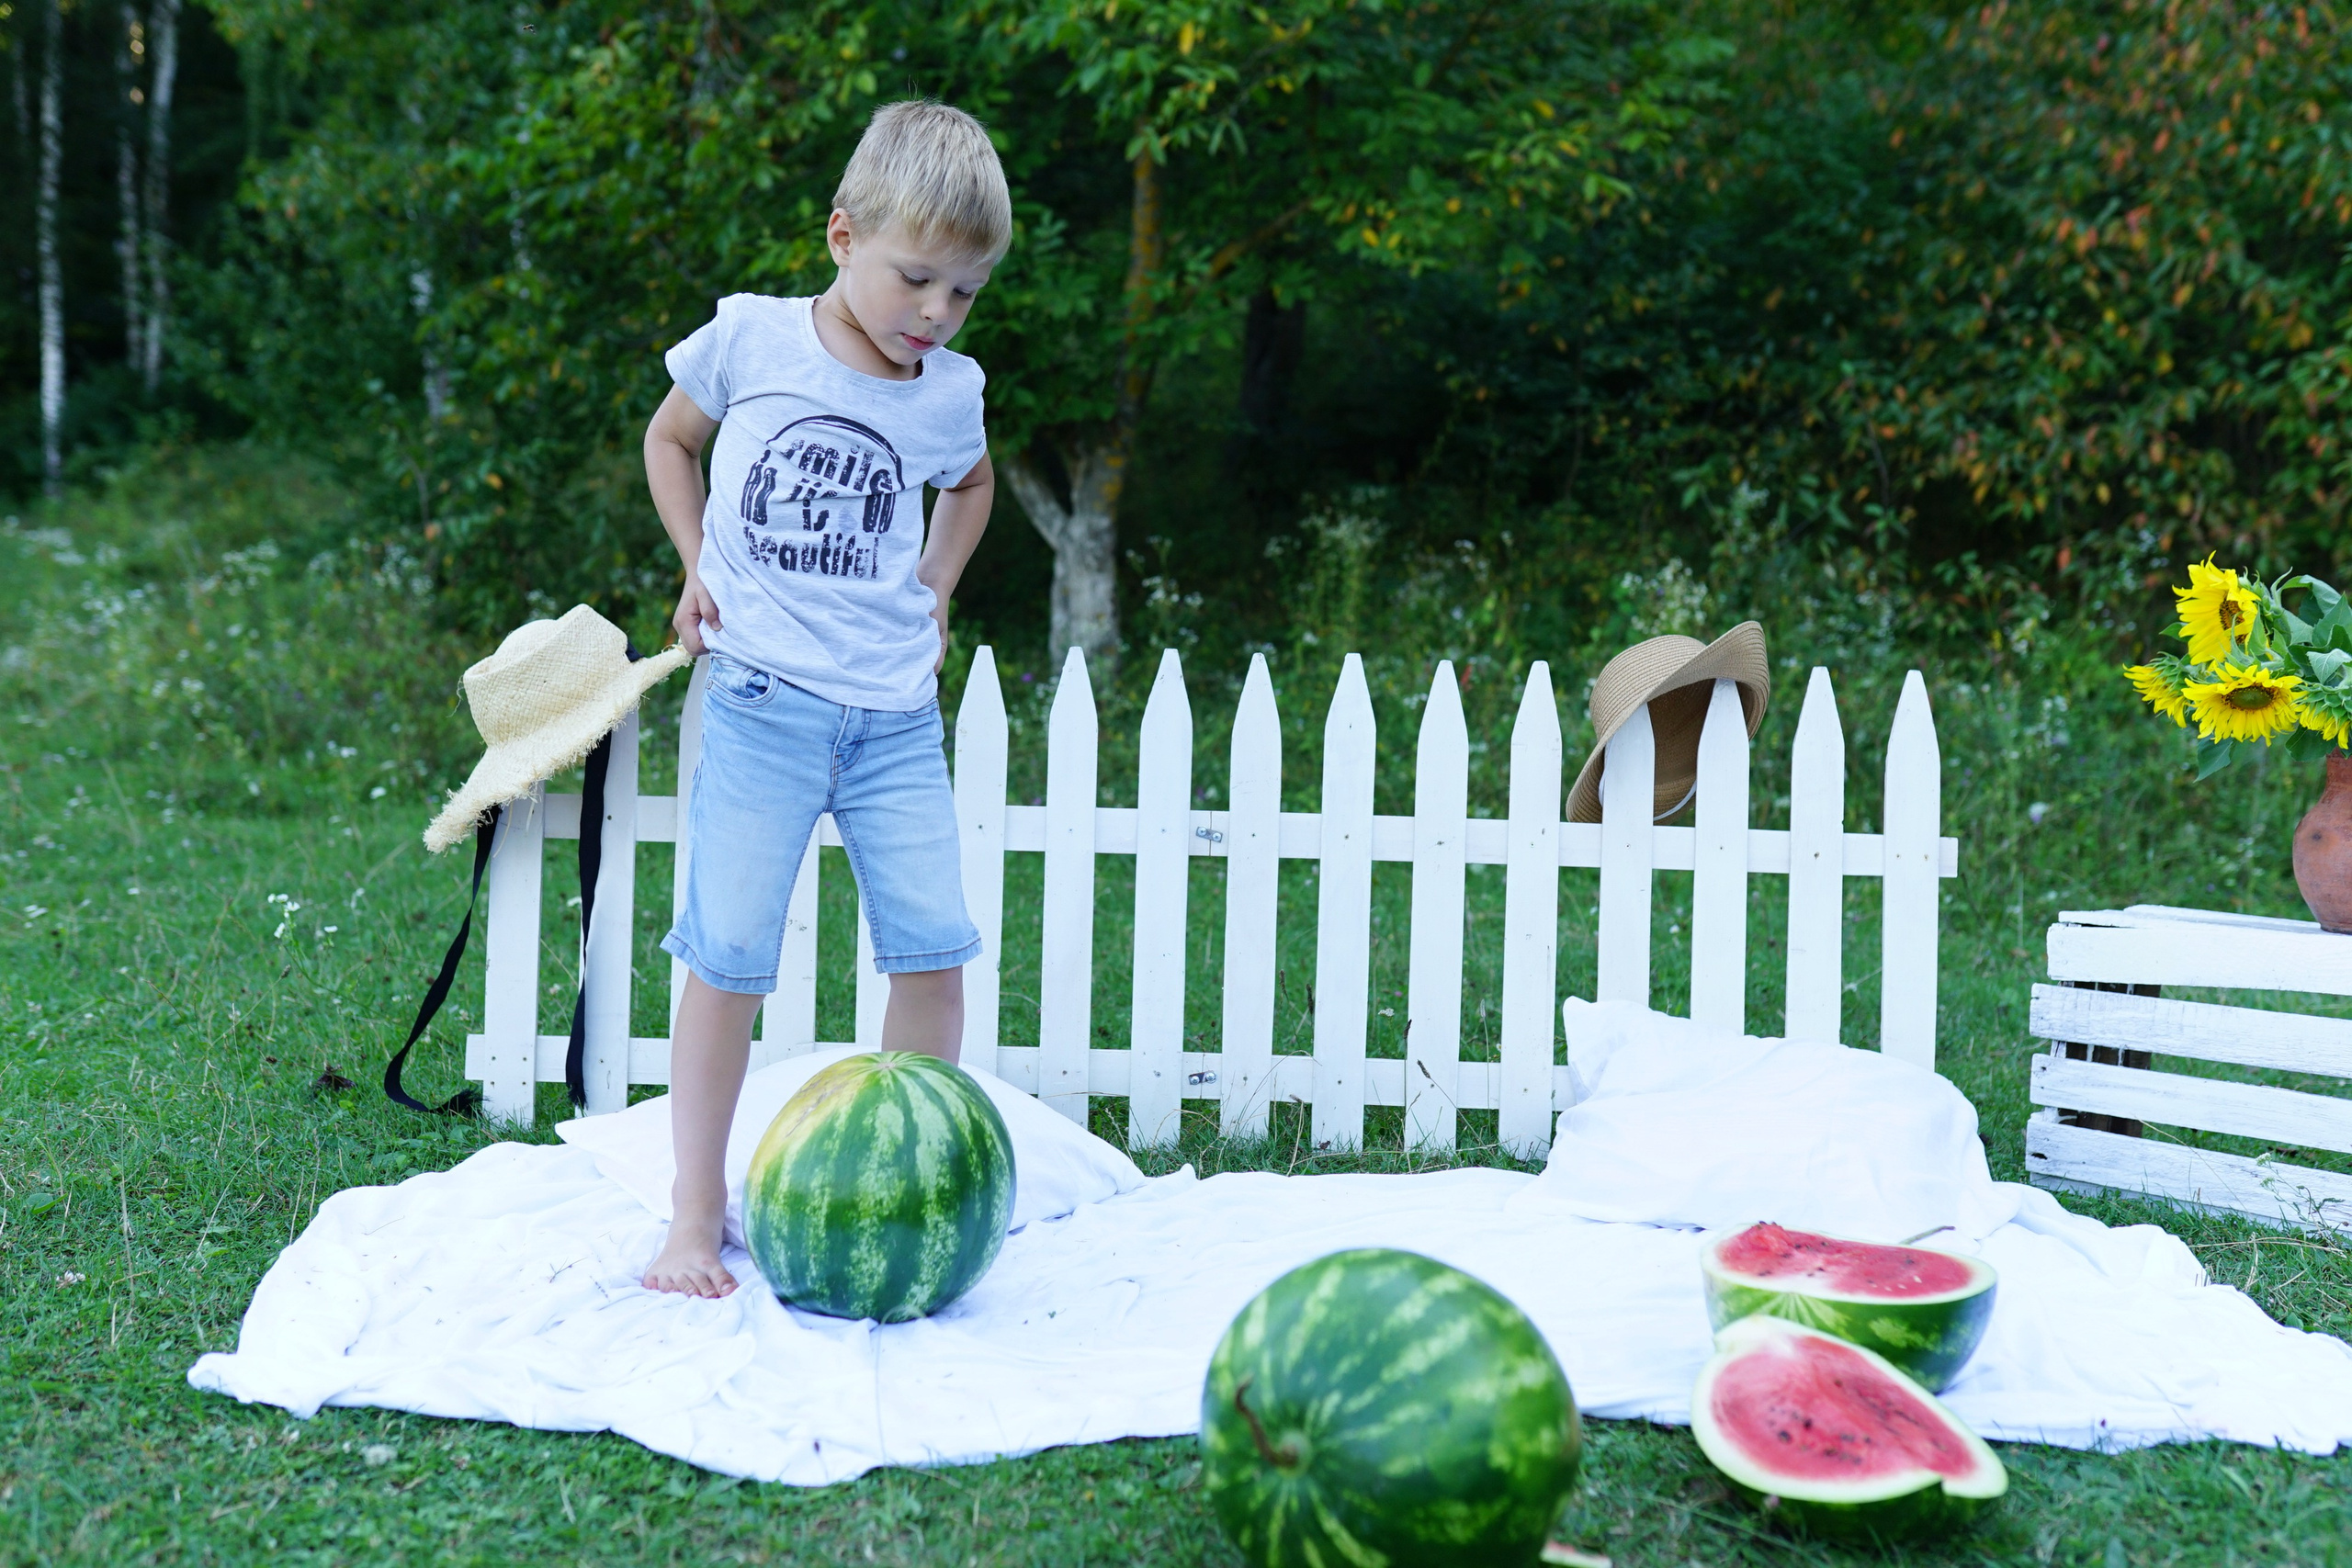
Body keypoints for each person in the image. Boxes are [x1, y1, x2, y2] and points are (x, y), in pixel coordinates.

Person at [639, 100, 1007, 1298]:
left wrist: (940, 583)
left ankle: (912, 1196)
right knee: (730, 958)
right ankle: (695, 1217)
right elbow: (668, 441)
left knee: (933, 954)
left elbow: (972, 483)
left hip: (895, 721)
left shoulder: (948, 391)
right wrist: (696, 565)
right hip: (761, 703)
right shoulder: (751, 340)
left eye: (964, 291)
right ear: (842, 236)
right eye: (917, 280)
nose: (937, 314)